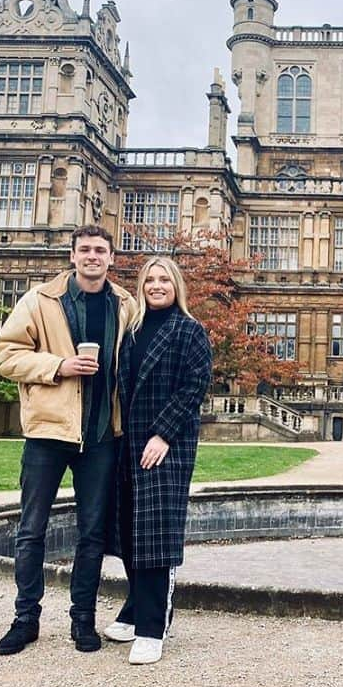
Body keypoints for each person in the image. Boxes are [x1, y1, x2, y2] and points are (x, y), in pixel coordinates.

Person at [0, 225, 136, 656]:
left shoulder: (125, 304)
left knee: (92, 533)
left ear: (112, 258)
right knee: (31, 530)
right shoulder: (39, 300)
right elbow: (5, 355)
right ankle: (25, 619)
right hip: (50, 431)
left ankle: (83, 620)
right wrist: (59, 366)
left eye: (101, 251)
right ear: (72, 256)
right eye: (86, 250)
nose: (93, 257)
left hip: (99, 436)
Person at [104, 256, 213, 665]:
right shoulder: (130, 331)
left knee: (156, 534)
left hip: (167, 444)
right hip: (129, 442)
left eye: (164, 278)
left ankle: (153, 627)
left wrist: (163, 433)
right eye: (150, 279)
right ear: (141, 286)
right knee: (130, 530)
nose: (156, 284)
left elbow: (193, 386)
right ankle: (136, 610)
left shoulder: (189, 330)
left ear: (177, 285)